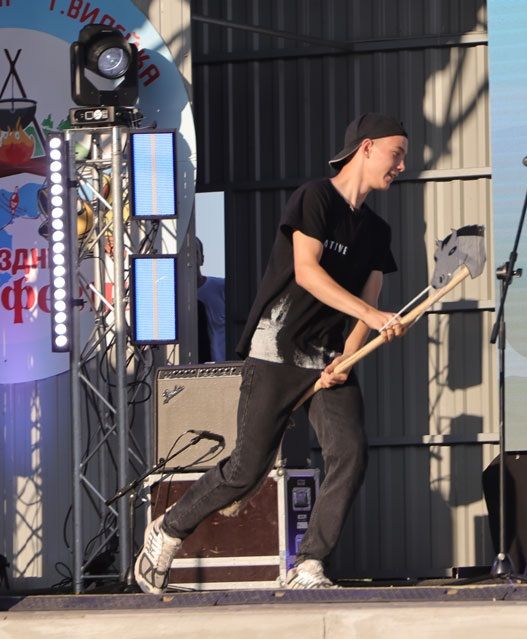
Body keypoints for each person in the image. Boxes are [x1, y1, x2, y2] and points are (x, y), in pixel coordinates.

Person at [135, 113, 409, 592]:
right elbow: (307, 272)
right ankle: (168, 530)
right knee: (246, 469)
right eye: (397, 153)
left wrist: (346, 359)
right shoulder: (315, 198)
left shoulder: (377, 232)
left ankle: (309, 563)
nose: (402, 165)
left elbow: (369, 305)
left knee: (350, 453)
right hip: (278, 348)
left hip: (328, 357)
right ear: (367, 148)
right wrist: (372, 314)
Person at [195, 236, 226, 361]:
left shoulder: (223, 288)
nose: (189, 258)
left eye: (194, 253)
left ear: (202, 259)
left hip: (227, 367)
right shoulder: (171, 299)